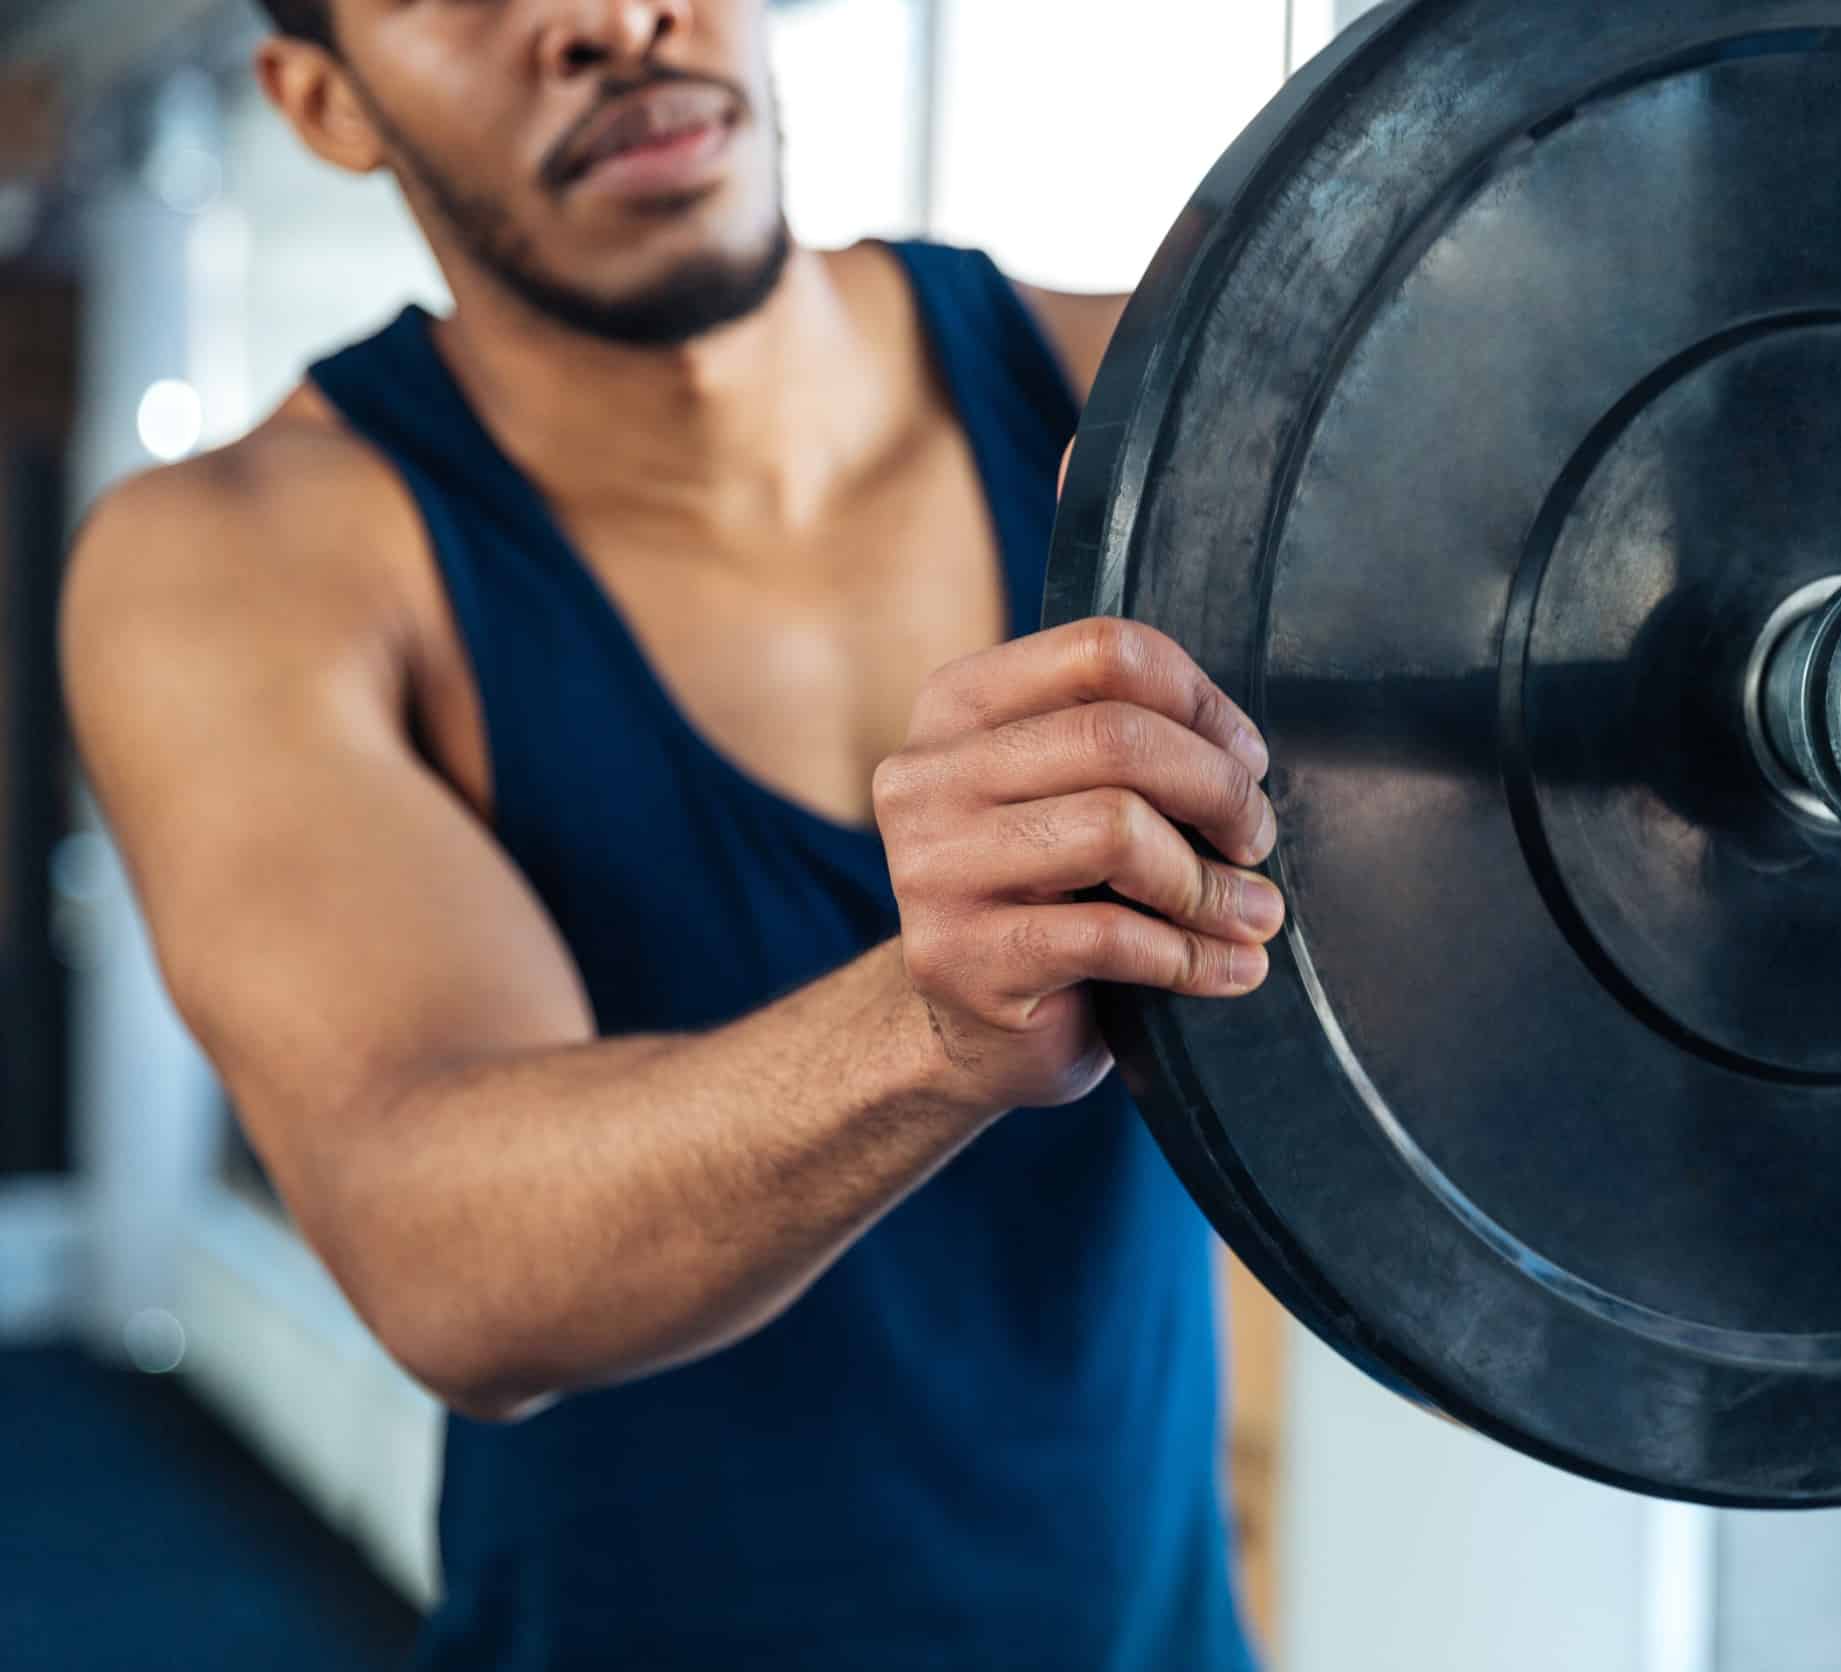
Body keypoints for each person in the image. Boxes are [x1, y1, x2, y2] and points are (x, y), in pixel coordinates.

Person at [60, 1, 1286, 1667]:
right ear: (323, 100)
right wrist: (930, 1024)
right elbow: (434, 1245)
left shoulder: (1132, 398)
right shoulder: (239, 562)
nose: (601, 19)